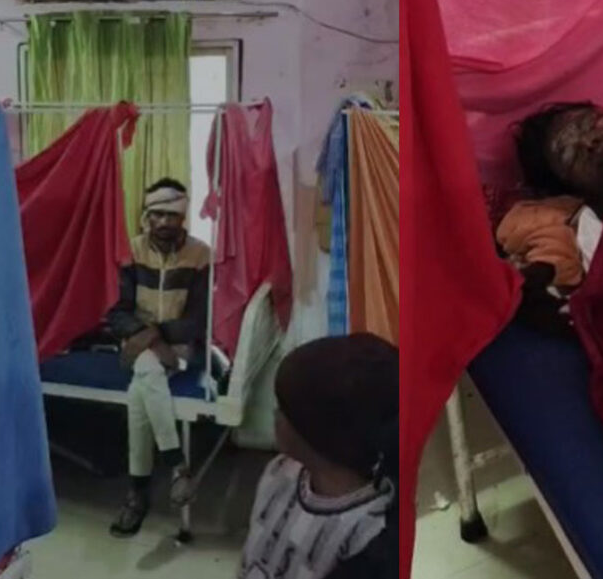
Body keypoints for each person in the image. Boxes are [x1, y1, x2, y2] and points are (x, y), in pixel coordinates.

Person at [237, 334, 398, 579]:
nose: (275, 414)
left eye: (285, 408)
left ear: (318, 431)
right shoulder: (280, 471)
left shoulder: (367, 530)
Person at [106, 178, 211, 538]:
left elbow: (198, 319)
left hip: (178, 347)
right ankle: (177, 466)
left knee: (141, 387)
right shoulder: (131, 251)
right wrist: (147, 338)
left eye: (172, 215)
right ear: (147, 216)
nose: (164, 222)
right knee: (147, 375)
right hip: (139, 345)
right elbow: (117, 312)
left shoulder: (200, 255)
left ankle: (138, 494)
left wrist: (156, 334)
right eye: (157, 214)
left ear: (183, 217)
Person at [499, 102, 603, 335]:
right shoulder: (596, 249)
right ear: (570, 188)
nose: (589, 143)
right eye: (571, 155)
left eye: (593, 124)